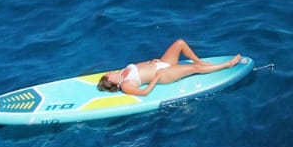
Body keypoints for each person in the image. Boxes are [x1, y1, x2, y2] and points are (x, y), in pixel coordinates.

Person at [96, 39, 242, 95]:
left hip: (161, 63)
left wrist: (150, 62)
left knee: (180, 43)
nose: (111, 72)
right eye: (109, 75)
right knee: (194, 68)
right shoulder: (126, 85)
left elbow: (139, 68)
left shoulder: (122, 72)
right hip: (164, 74)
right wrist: (157, 77)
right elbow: (145, 92)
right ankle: (227, 64)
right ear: (112, 81)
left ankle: (201, 61)